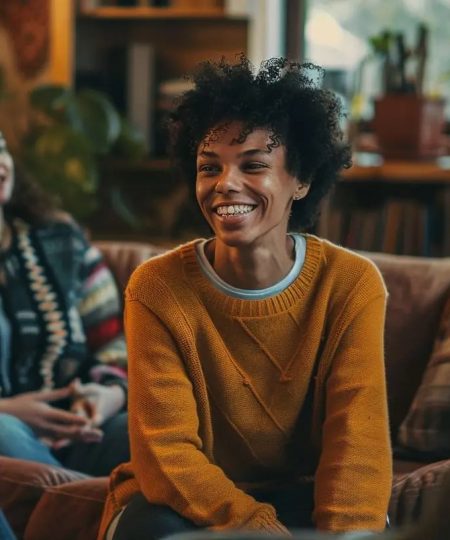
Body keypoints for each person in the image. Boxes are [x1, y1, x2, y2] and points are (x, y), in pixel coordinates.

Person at [98, 56, 392, 539]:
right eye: (208, 167)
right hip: (188, 507)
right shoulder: (155, 288)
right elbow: (166, 455)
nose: (225, 184)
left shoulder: (351, 284)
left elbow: (356, 446)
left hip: (301, 494)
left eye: (253, 165)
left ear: (302, 181)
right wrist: (257, 530)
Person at [0, 131, 129, 476]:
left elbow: (113, 344)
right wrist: (9, 410)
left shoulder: (62, 241)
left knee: (145, 430)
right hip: (8, 435)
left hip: (79, 428)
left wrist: (107, 396)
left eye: (1, 147)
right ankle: (83, 508)